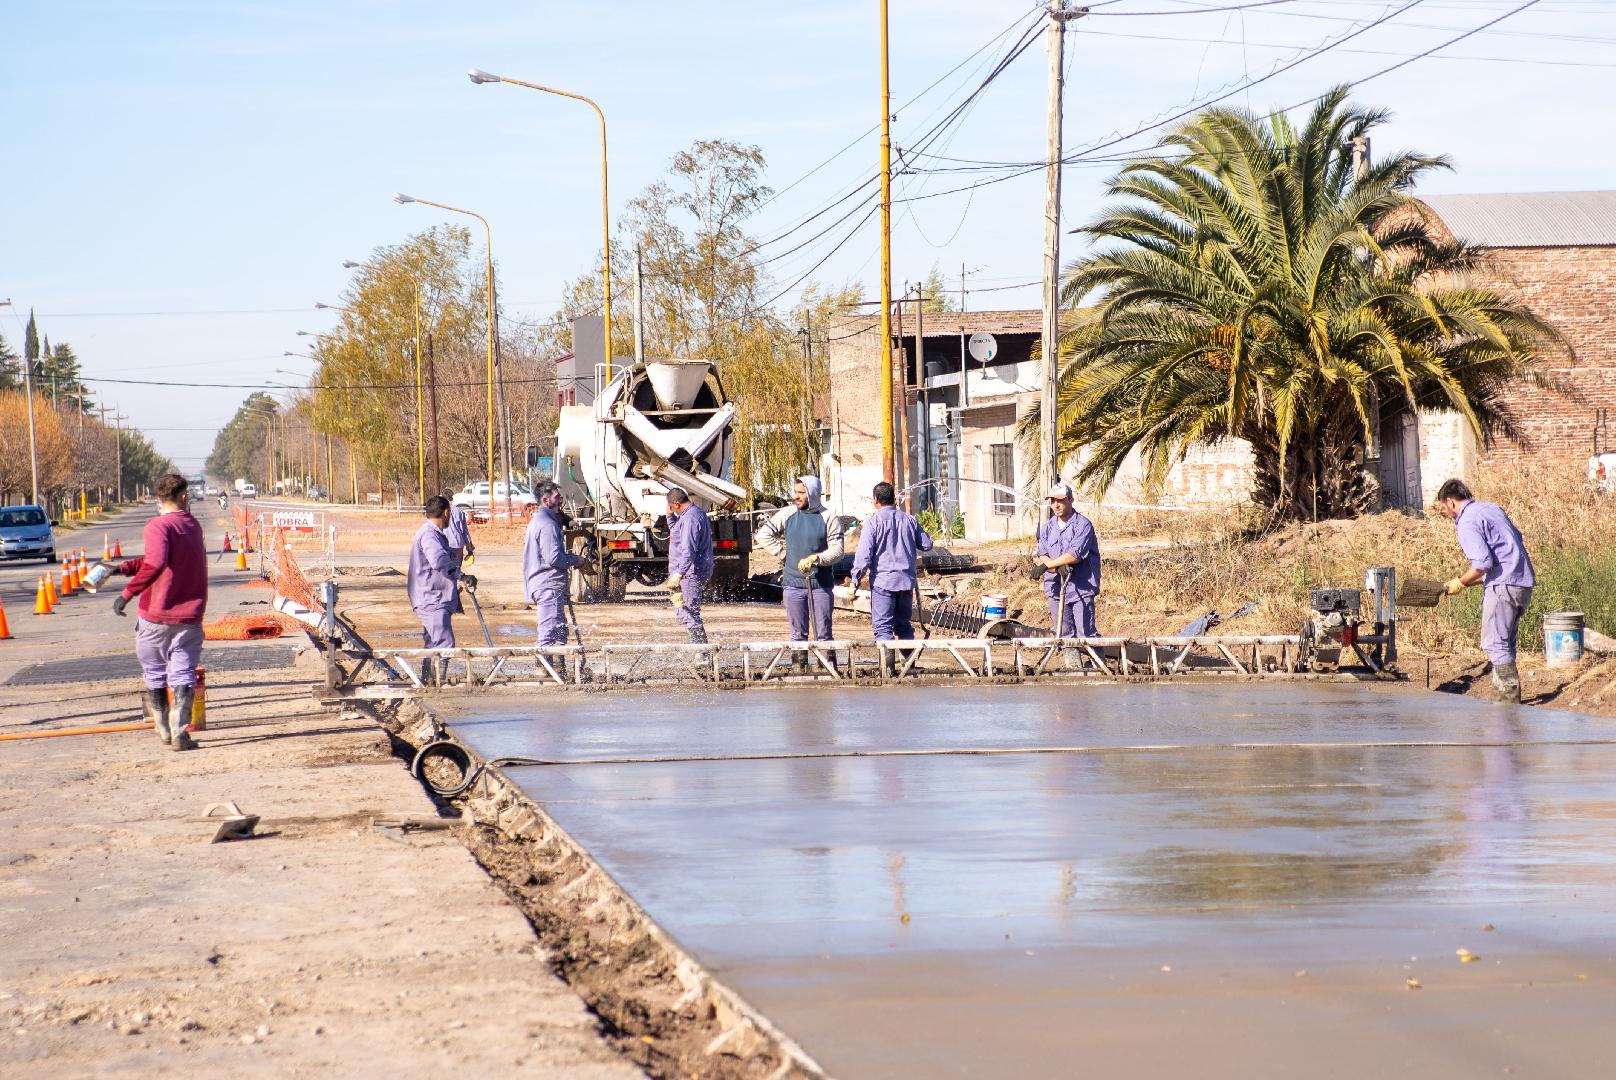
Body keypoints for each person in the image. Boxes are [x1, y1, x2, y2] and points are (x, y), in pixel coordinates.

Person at [112, 473, 209, 751]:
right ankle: (180, 732)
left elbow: (155, 562)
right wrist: (123, 567)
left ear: (158, 499)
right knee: (183, 674)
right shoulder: (193, 526)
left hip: (155, 616)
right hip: (189, 617)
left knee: (154, 673)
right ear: (185, 496)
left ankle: (163, 729)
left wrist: (127, 594)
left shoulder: (157, 526)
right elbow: (158, 559)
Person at [1435, 478, 1535, 703]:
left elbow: (1482, 564)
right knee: (1506, 641)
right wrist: (1468, 582)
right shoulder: (1492, 509)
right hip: (1522, 581)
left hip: (1503, 587)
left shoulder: (1467, 521)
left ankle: (1507, 700)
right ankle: (1507, 698)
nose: (1447, 513)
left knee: (1495, 642)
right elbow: (1511, 546)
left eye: (1444, 508)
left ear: (1451, 502)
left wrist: (1459, 582)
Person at [758, 475, 845, 641]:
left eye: (801, 493)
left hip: (820, 585)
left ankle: (826, 665)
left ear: (812, 494)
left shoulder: (828, 518)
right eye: (795, 492)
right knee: (797, 635)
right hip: (793, 585)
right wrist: (783, 554)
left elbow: (838, 551)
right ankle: (800, 665)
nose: (795, 496)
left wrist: (816, 559)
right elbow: (763, 535)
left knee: (824, 634)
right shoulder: (788, 513)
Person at [851, 481, 934, 640]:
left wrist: (855, 579)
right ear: (893, 499)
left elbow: (864, 557)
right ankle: (909, 663)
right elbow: (927, 544)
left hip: (884, 584)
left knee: (883, 628)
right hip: (906, 583)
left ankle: (888, 665)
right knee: (903, 625)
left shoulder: (872, 524)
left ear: (875, 500)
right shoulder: (909, 520)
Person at [407, 497, 473, 682]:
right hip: (431, 597)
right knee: (444, 643)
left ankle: (428, 681)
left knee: (433, 643)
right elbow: (439, 561)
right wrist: (461, 575)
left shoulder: (432, 533)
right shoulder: (429, 535)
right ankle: (438, 685)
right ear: (446, 512)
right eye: (450, 514)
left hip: (433, 596)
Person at [1035, 482, 1101, 637]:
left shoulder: (1083, 525)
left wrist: (1048, 565)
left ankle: (1098, 661)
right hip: (1056, 588)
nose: (1056, 505)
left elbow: (1074, 555)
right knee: (1063, 633)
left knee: (1086, 633)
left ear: (1071, 500)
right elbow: (1042, 553)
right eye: (1053, 501)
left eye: (1060, 500)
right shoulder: (1048, 527)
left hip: (1081, 588)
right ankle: (1072, 662)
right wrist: (1055, 567)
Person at [523, 480, 579, 646]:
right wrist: (576, 560)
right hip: (548, 586)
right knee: (548, 635)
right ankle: (545, 670)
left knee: (560, 633)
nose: (560, 498)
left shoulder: (542, 521)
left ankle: (560, 669)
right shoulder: (547, 525)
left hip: (550, 586)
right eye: (556, 496)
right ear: (546, 501)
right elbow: (554, 558)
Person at [665, 486, 714, 644]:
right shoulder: (691, 515)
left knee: (686, 610)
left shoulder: (690, 519)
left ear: (677, 504)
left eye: (671, 506)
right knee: (687, 609)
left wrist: (679, 573)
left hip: (690, 573)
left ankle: (702, 652)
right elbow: (677, 532)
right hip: (690, 571)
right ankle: (701, 649)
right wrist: (669, 516)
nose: (671, 509)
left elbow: (688, 551)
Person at [444, 493, 475, 569]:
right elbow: (464, 531)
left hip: (444, 545)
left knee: (445, 571)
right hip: (458, 544)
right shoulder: (459, 512)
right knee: (456, 570)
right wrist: (469, 549)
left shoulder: (440, 512)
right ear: (452, 499)